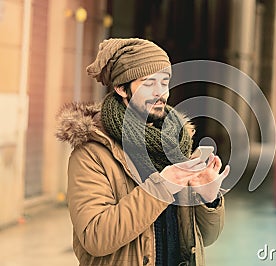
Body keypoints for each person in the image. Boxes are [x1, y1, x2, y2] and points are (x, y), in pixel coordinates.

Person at [56, 38, 229, 266]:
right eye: (148, 83)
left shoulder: (175, 143)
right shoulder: (92, 153)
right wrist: (162, 187)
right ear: (121, 88)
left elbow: (203, 239)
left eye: (164, 82)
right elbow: (95, 237)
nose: (161, 93)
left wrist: (208, 197)